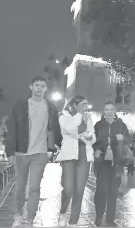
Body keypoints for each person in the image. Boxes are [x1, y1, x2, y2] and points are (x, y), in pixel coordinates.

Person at [6, 76, 60, 227]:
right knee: (20, 187)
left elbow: (56, 129)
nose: (39, 88)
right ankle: (18, 214)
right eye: (36, 85)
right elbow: (12, 129)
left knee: (35, 187)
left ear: (46, 89)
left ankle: (30, 219)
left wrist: (63, 145)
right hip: (21, 153)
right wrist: (10, 152)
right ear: (31, 87)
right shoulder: (21, 105)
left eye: (42, 86)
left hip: (40, 153)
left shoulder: (50, 106)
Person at [56, 95, 96, 227]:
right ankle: (63, 212)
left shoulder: (88, 118)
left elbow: (93, 137)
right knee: (68, 189)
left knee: (79, 190)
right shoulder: (64, 116)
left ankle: (73, 221)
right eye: (83, 104)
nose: (85, 107)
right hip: (69, 155)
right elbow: (69, 129)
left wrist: (89, 137)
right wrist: (80, 116)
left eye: (86, 104)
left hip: (84, 155)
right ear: (74, 105)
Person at [92, 102, 132, 227]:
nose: (109, 112)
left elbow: (129, 139)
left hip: (117, 162)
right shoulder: (98, 125)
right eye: (107, 109)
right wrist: (96, 149)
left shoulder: (121, 125)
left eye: (111, 109)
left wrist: (123, 137)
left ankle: (110, 219)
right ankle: (99, 216)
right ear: (104, 112)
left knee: (113, 192)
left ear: (115, 112)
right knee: (101, 190)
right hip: (102, 162)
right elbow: (93, 140)